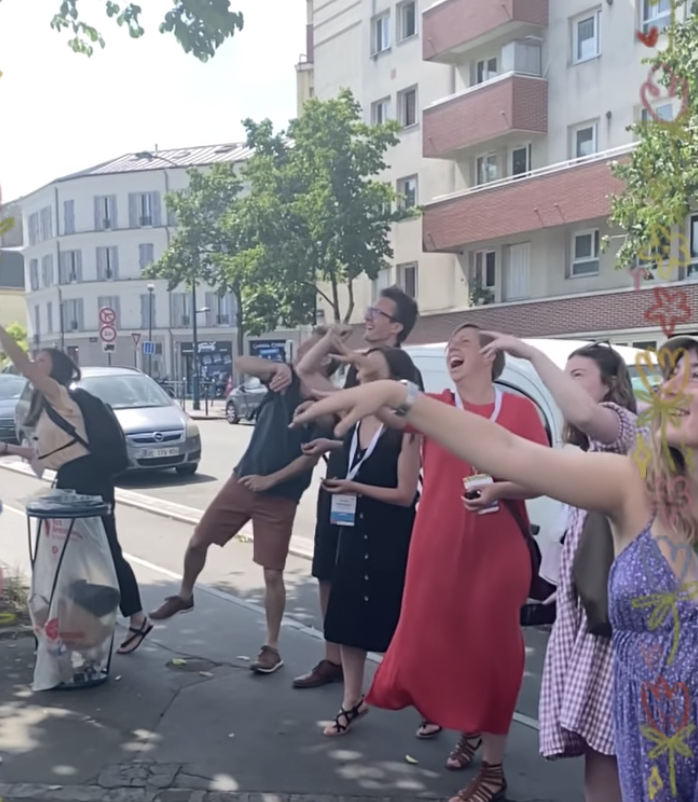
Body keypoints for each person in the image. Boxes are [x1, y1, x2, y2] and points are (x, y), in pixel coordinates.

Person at [291, 336, 698, 802]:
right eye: (668, 378)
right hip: (651, 751)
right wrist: (394, 392)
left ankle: (487, 753)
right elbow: (507, 451)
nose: (671, 390)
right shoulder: (634, 485)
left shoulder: (547, 420)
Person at [297, 323, 548, 802]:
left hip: (498, 550)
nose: (453, 349)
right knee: (441, 642)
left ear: (490, 356)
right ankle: (466, 724)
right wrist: (365, 367)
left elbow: (540, 480)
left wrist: (499, 488)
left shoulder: (519, 409)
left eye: (465, 344)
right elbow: (383, 405)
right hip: (435, 547)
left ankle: (492, 770)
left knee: (495, 651)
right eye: (450, 345)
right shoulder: (435, 407)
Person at [481, 336, 638, 802]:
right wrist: (496, 490)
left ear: (610, 387)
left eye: (577, 376)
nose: (564, 387)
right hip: (589, 615)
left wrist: (529, 354)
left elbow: (588, 416)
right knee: (600, 750)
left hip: (610, 622)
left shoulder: (624, 429)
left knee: (609, 748)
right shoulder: (588, 449)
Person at [150, 327, 339, 675]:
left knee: (272, 574)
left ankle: (271, 647)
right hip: (242, 481)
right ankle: (185, 593)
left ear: (325, 359)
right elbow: (241, 361)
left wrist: (272, 479)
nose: (300, 351)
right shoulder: (281, 380)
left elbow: (311, 457)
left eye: (309, 348)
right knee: (197, 541)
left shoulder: (325, 402)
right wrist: (275, 368)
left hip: (279, 496)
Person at [292, 285, 422, 691]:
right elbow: (307, 372)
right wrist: (331, 338)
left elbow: (401, 429)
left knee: (382, 586)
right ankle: (334, 659)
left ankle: (400, 673)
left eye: (377, 313)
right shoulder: (358, 368)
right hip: (340, 486)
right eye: (368, 310)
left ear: (397, 326)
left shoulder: (403, 374)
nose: (368, 318)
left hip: (373, 496)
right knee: (328, 571)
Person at [0, 329, 151, 655]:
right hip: (71, 479)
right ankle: (75, 626)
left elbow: (23, 367)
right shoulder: (50, 407)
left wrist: (3, 336)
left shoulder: (61, 396)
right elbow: (51, 454)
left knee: (105, 549)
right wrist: (7, 448)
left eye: (41, 361)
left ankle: (135, 618)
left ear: (53, 371)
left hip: (88, 481)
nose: (33, 365)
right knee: (71, 555)